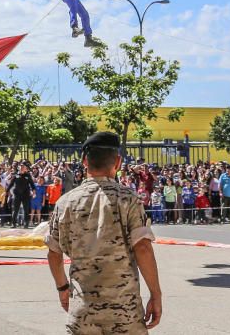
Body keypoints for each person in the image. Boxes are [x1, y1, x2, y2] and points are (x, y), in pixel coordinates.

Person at [45, 132, 162, 334]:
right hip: (125, 311)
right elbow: (142, 248)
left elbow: (54, 252)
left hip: (83, 310)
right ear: (117, 162)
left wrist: (62, 289)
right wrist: (156, 294)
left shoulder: (65, 202)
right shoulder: (128, 199)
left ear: (84, 162)